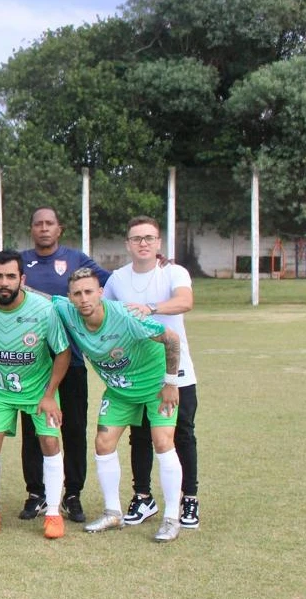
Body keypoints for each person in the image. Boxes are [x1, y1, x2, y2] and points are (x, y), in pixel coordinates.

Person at [52, 267, 185, 543]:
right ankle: (113, 512)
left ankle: (172, 517)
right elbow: (33, 294)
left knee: (162, 442)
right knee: (103, 443)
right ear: (70, 297)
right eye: (77, 293)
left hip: (154, 388)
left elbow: (171, 338)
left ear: (100, 293)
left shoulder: (124, 316)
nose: (83, 298)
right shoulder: (67, 311)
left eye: (89, 291)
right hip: (119, 391)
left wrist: (171, 382)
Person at [0, 250, 71, 539]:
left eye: (11, 276)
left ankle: (54, 514)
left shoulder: (43, 309)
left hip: (39, 391)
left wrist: (49, 395)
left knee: (49, 440)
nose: (4, 282)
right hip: (1, 391)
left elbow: (63, 352)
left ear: (22, 279)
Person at [103, 216, 201, 530]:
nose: (143, 243)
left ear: (158, 242)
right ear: (128, 244)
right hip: (138, 372)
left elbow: (185, 301)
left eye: (149, 237)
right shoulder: (117, 279)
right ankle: (143, 497)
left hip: (176, 368)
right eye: (136, 238)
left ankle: (189, 498)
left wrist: (150, 308)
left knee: (181, 433)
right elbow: (105, 315)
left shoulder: (173, 272)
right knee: (140, 435)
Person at [17, 207, 109, 523]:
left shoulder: (77, 259)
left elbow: (112, 283)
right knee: (33, 430)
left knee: (72, 429)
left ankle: (72, 494)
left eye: (49, 223)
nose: (43, 228)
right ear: (31, 229)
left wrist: (157, 263)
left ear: (60, 228)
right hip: (33, 365)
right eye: (38, 223)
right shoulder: (21, 260)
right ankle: (37, 493)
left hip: (72, 362)